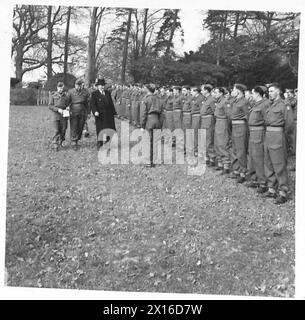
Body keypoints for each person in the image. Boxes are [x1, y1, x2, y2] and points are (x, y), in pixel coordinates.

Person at [263, 83, 294, 204]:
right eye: (269, 91)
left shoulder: (284, 105)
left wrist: (286, 140)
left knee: (279, 164)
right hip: (268, 135)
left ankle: (283, 192)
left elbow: (289, 124)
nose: (269, 93)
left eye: (271, 91)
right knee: (269, 162)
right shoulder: (270, 105)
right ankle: (271, 189)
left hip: (278, 135)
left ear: (278, 92)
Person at [246, 86, 269, 193]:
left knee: (258, 157)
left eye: (253, 93)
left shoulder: (264, 104)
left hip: (259, 132)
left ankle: (263, 182)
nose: (251, 95)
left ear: (258, 94)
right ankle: (255, 178)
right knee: (252, 156)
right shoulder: (256, 104)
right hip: (252, 132)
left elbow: (267, 119)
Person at [229, 83, 250, 183]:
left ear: (238, 91)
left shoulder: (244, 102)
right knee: (234, 149)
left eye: (233, 89)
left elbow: (248, 116)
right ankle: (236, 170)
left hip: (241, 127)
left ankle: (243, 172)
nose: (232, 91)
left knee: (241, 150)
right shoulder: (235, 101)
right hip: (234, 126)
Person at [90, 78, 117, 150]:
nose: (102, 87)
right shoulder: (94, 94)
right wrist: (95, 111)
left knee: (109, 128)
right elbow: (92, 104)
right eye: (100, 85)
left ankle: (108, 143)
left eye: (103, 85)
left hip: (108, 114)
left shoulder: (108, 93)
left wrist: (114, 112)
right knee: (100, 128)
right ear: (98, 86)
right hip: (100, 114)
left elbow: (111, 103)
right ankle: (100, 143)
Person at [141, 83, 162, 167]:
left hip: (149, 120)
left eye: (145, 88)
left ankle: (147, 161)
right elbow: (162, 113)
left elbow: (143, 113)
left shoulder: (145, 99)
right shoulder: (158, 99)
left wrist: (142, 125)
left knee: (147, 141)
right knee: (156, 142)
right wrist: (160, 123)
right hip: (157, 119)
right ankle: (156, 160)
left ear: (147, 90)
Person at [67, 79, 90, 150]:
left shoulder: (85, 92)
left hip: (82, 111)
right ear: (75, 85)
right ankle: (74, 142)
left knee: (80, 126)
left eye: (79, 86)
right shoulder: (70, 92)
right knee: (74, 126)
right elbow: (67, 101)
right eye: (77, 85)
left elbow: (87, 103)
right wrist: (67, 108)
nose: (78, 87)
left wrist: (88, 112)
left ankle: (77, 139)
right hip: (73, 111)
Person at [213, 87, 231, 174]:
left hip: (223, 123)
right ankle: (220, 163)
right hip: (218, 122)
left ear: (221, 93)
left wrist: (227, 126)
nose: (215, 94)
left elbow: (228, 115)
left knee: (222, 143)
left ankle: (226, 165)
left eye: (216, 92)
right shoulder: (219, 101)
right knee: (217, 143)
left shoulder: (225, 101)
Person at [48, 81, 69, 151]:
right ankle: (55, 143)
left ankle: (61, 141)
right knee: (56, 130)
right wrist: (57, 109)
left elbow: (67, 104)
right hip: (56, 114)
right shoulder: (53, 95)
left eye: (62, 88)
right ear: (57, 88)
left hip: (64, 115)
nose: (61, 89)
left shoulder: (65, 96)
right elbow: (50, 106)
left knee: (63, 129)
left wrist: (67, 107)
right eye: (60, 88)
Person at [200, 84, 216, 166]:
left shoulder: (211, 99)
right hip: (204, 120)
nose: (201, 91)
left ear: (206, 90)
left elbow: (215, 111)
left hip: (209, 120)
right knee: (204, 139)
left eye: (202, 90)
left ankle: (212, 159)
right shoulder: (206, 99)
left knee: (209, 139)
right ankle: (206, 158)